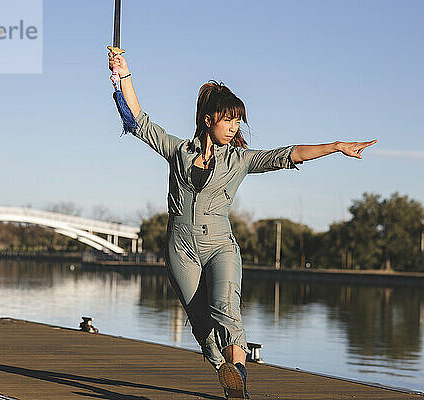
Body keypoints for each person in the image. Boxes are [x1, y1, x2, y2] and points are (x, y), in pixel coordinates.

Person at [108, 52, 376, 400]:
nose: (235, 126)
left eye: (238, 120)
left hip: (220, 244)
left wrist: (337, 147)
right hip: (180, 247)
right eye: (228, 119)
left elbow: (288, 154)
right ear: (208, 120)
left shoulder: (241, 160)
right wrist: (123, 74)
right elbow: (141, 122)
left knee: (226, 307)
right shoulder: (179, 151)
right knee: (201, 320)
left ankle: (239, 373)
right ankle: (223, 369)